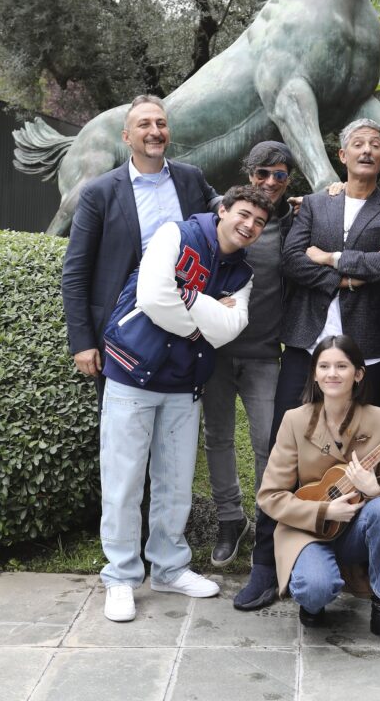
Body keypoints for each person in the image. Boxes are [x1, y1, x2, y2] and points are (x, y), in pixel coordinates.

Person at [233, 117, 380, 611]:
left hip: (366, 354)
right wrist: (353, 275)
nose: (366, 151)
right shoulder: (314, 204)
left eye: (375, 146)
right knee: (281, 449)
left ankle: (353, 557)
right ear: (342, 155)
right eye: (357, 143)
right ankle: (266, 566)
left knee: (365, 456)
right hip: (305, 348)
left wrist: (332, 259)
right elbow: (294, 259)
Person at [99, 185, 273, 622]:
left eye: (259, 222)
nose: (249, 225)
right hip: (133, 369)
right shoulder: (175, 235)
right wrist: (203, 320)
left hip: (182, 382)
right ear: (224, 210)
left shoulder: (243, 274)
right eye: (244, 214)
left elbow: (231, 328)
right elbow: (154, 298)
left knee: (175, 482)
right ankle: (120, 576)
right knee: (124, 480)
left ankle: (168, 567)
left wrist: (192, 298)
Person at [257, 335, 380, 653]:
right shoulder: (295, 421)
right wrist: (324, 512)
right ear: (314, 373)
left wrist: (376, 489)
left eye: (342, 366)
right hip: (308, 530)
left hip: (358, 528)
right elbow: (270, 495)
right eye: (324, 366)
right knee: (315, 589)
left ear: (359, 374)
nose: (332, 374)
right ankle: (315, 593)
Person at [62, 94, 217, 407]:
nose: (155, 131)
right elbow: (75, 271)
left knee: (175, 428)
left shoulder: (191, 179)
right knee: (124, 439)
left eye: (161, 123)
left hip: (182, 326)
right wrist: (82, 343)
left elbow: (220, 207)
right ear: (126, 137)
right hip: (122, 332)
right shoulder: (99, 193)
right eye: (143, 124)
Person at [203, 141, 295, 568]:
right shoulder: (226, 211)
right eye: (263, 173)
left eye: (280, 175)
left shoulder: (296, 220)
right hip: (215, 350)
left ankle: (267, 523)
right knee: (218, 437)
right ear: (248, 173)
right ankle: (229, 519)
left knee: (267, 442)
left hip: (263, 353)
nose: (271, 182)